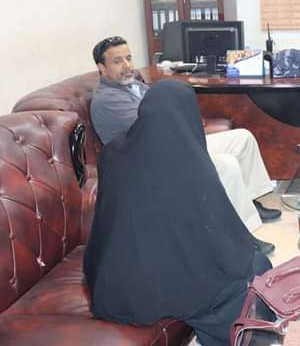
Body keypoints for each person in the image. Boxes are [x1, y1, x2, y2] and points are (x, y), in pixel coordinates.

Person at [84, 80, 273, 345]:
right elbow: (218, 235)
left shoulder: (112, 152)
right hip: (154, 290)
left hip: (111, 284)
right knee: (255, 268)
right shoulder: (190, 162)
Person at [89, 36, 280, 252]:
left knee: (242, 138)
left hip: (169, 145)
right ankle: (243, 237)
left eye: (128, 58)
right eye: (117, 61)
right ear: (102, 68)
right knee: (226, 164)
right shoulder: (108, 99)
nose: (127, 65)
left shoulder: (133, 85)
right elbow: (152, 128)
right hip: (148, 160)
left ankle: (250, 200)